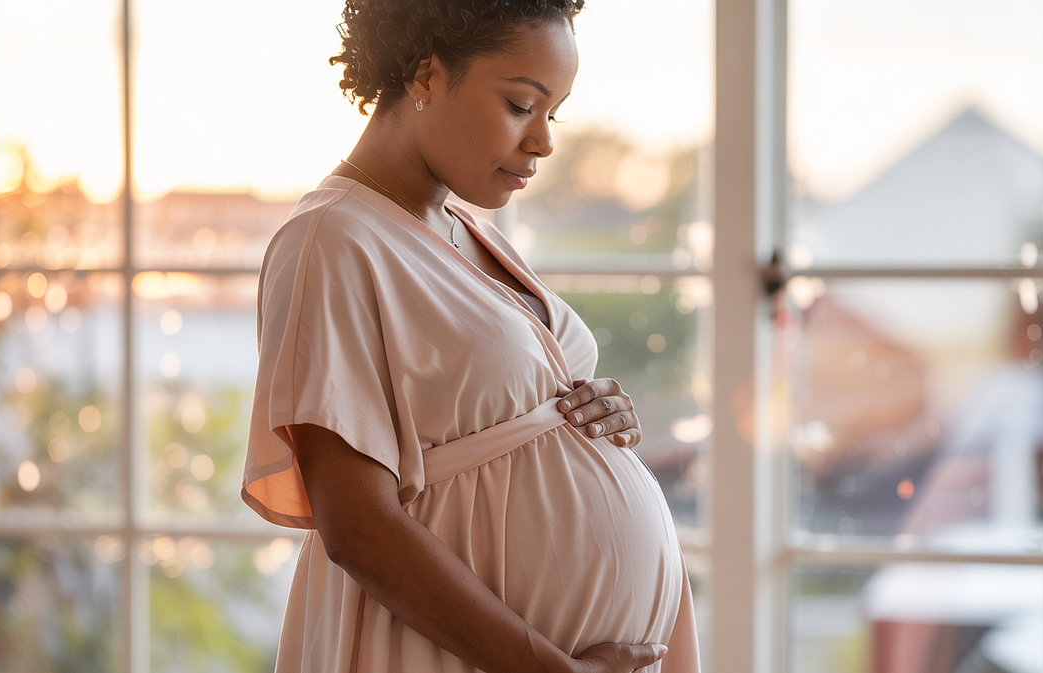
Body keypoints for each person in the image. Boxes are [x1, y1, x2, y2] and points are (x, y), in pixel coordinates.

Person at [241, 1, 700, 671]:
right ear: (425, 75)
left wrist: (593, 415)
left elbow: (492, 414)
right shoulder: (331, 241)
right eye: (520, 105)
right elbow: (358, 529)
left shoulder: (461, 226)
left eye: (554, 113)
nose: (543, 141)